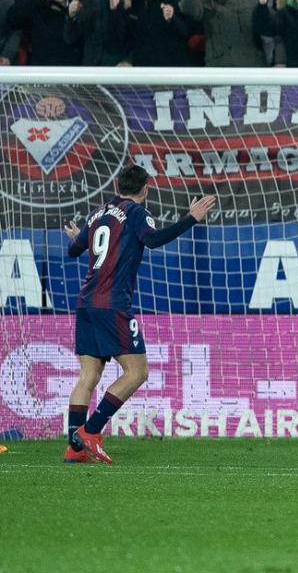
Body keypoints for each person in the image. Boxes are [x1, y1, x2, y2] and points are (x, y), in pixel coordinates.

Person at [62, 166, 216, 463]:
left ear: (116, 183)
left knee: (88, 376)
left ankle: (74, 448)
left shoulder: (97, 214)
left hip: (86, 303)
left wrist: (75, 237)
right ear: (147, 186)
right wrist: (190, 219)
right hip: (112, 304)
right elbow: (154, 240)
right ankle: (90, 432)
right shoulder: (136, 212)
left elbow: (74, 250)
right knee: (137, 372)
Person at [6, 0, 84, 65]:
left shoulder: (80, 4)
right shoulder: (36, 4)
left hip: (73, 70)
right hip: (41, 70)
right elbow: (12, 20)